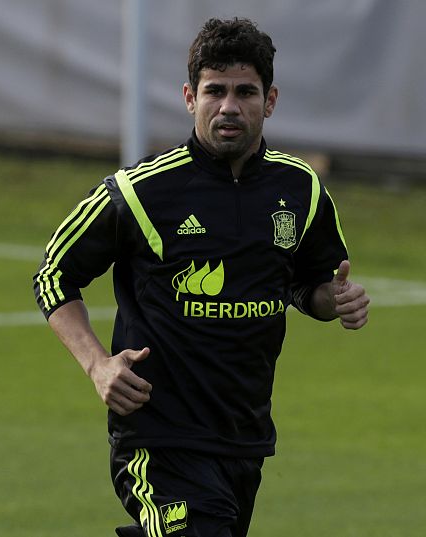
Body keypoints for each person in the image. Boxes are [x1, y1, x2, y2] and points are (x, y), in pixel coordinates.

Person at [33, 17, 369, 537]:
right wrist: (98, 364)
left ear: (270, 100)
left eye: (245, 92)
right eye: (215, 91)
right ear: (190, 97)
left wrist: (334, 299)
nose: (229, 106)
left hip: (244, 438)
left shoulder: (300, 188)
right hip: (158, 437)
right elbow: (54, 273)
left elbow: (308, 285)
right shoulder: (140, 191)